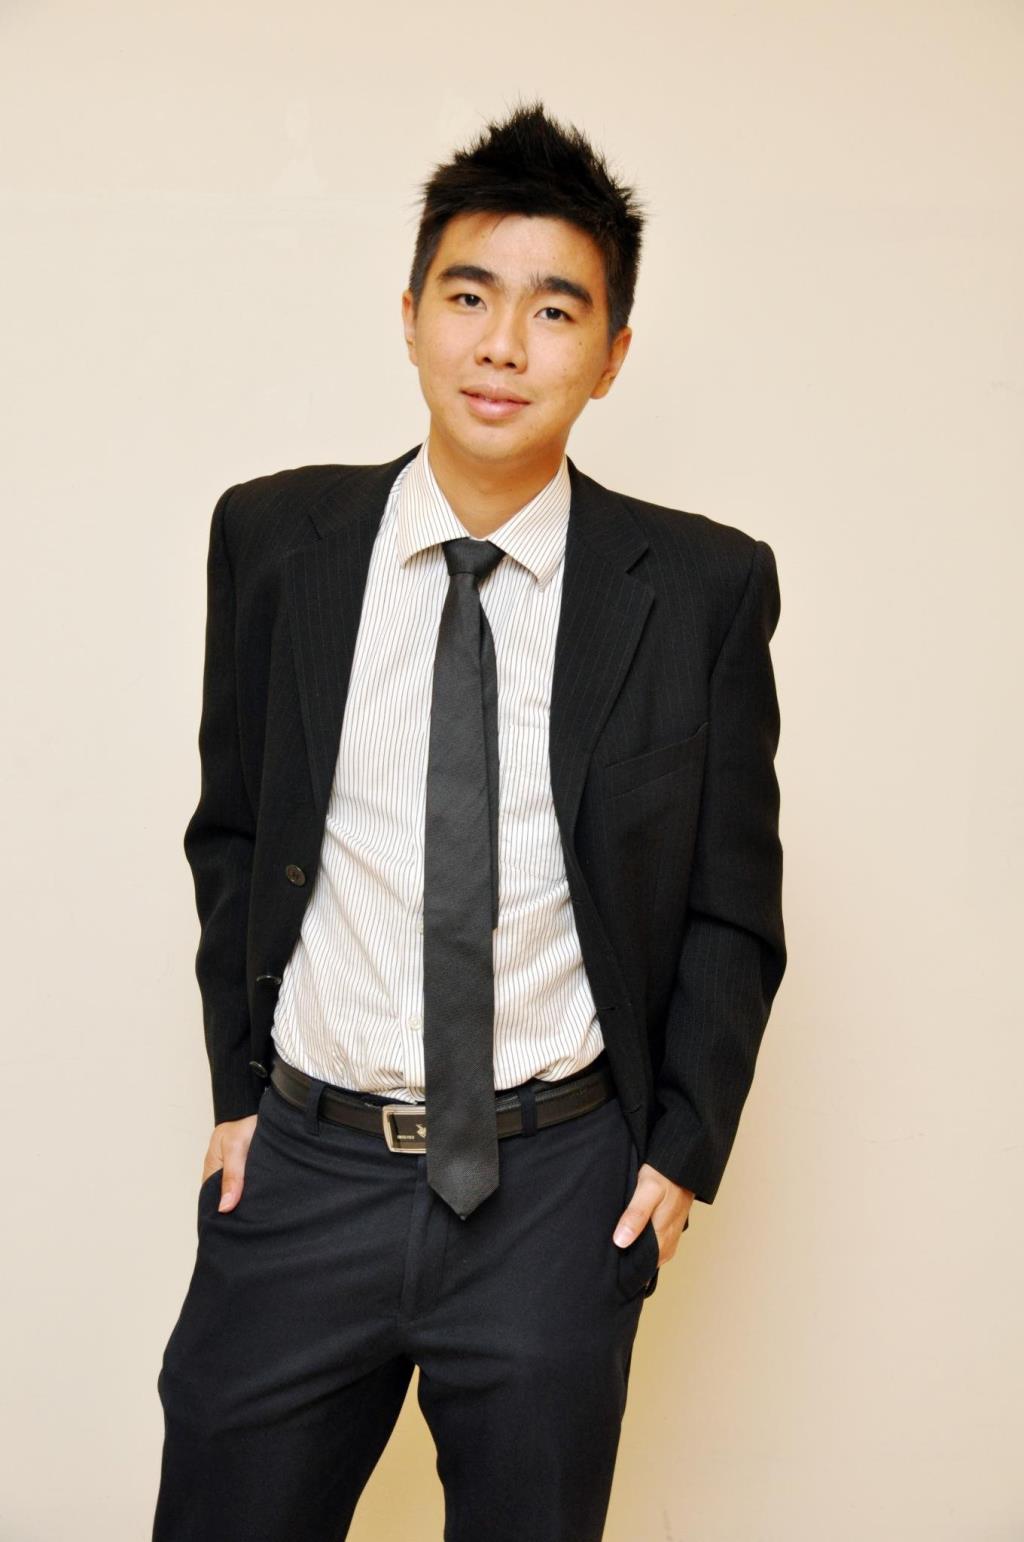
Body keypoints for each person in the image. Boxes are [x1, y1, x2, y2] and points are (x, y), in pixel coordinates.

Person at [152, 99, 787, 1542]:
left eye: (555, 310)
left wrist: (679, 1150)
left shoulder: (698, 589)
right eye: (469, 296)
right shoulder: (277, 541)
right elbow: (235, 831)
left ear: (611, 355)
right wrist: (240, 1092)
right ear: (410, 317)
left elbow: (730, 903)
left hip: (555, 1189)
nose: (503, 344)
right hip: (306, 1167)